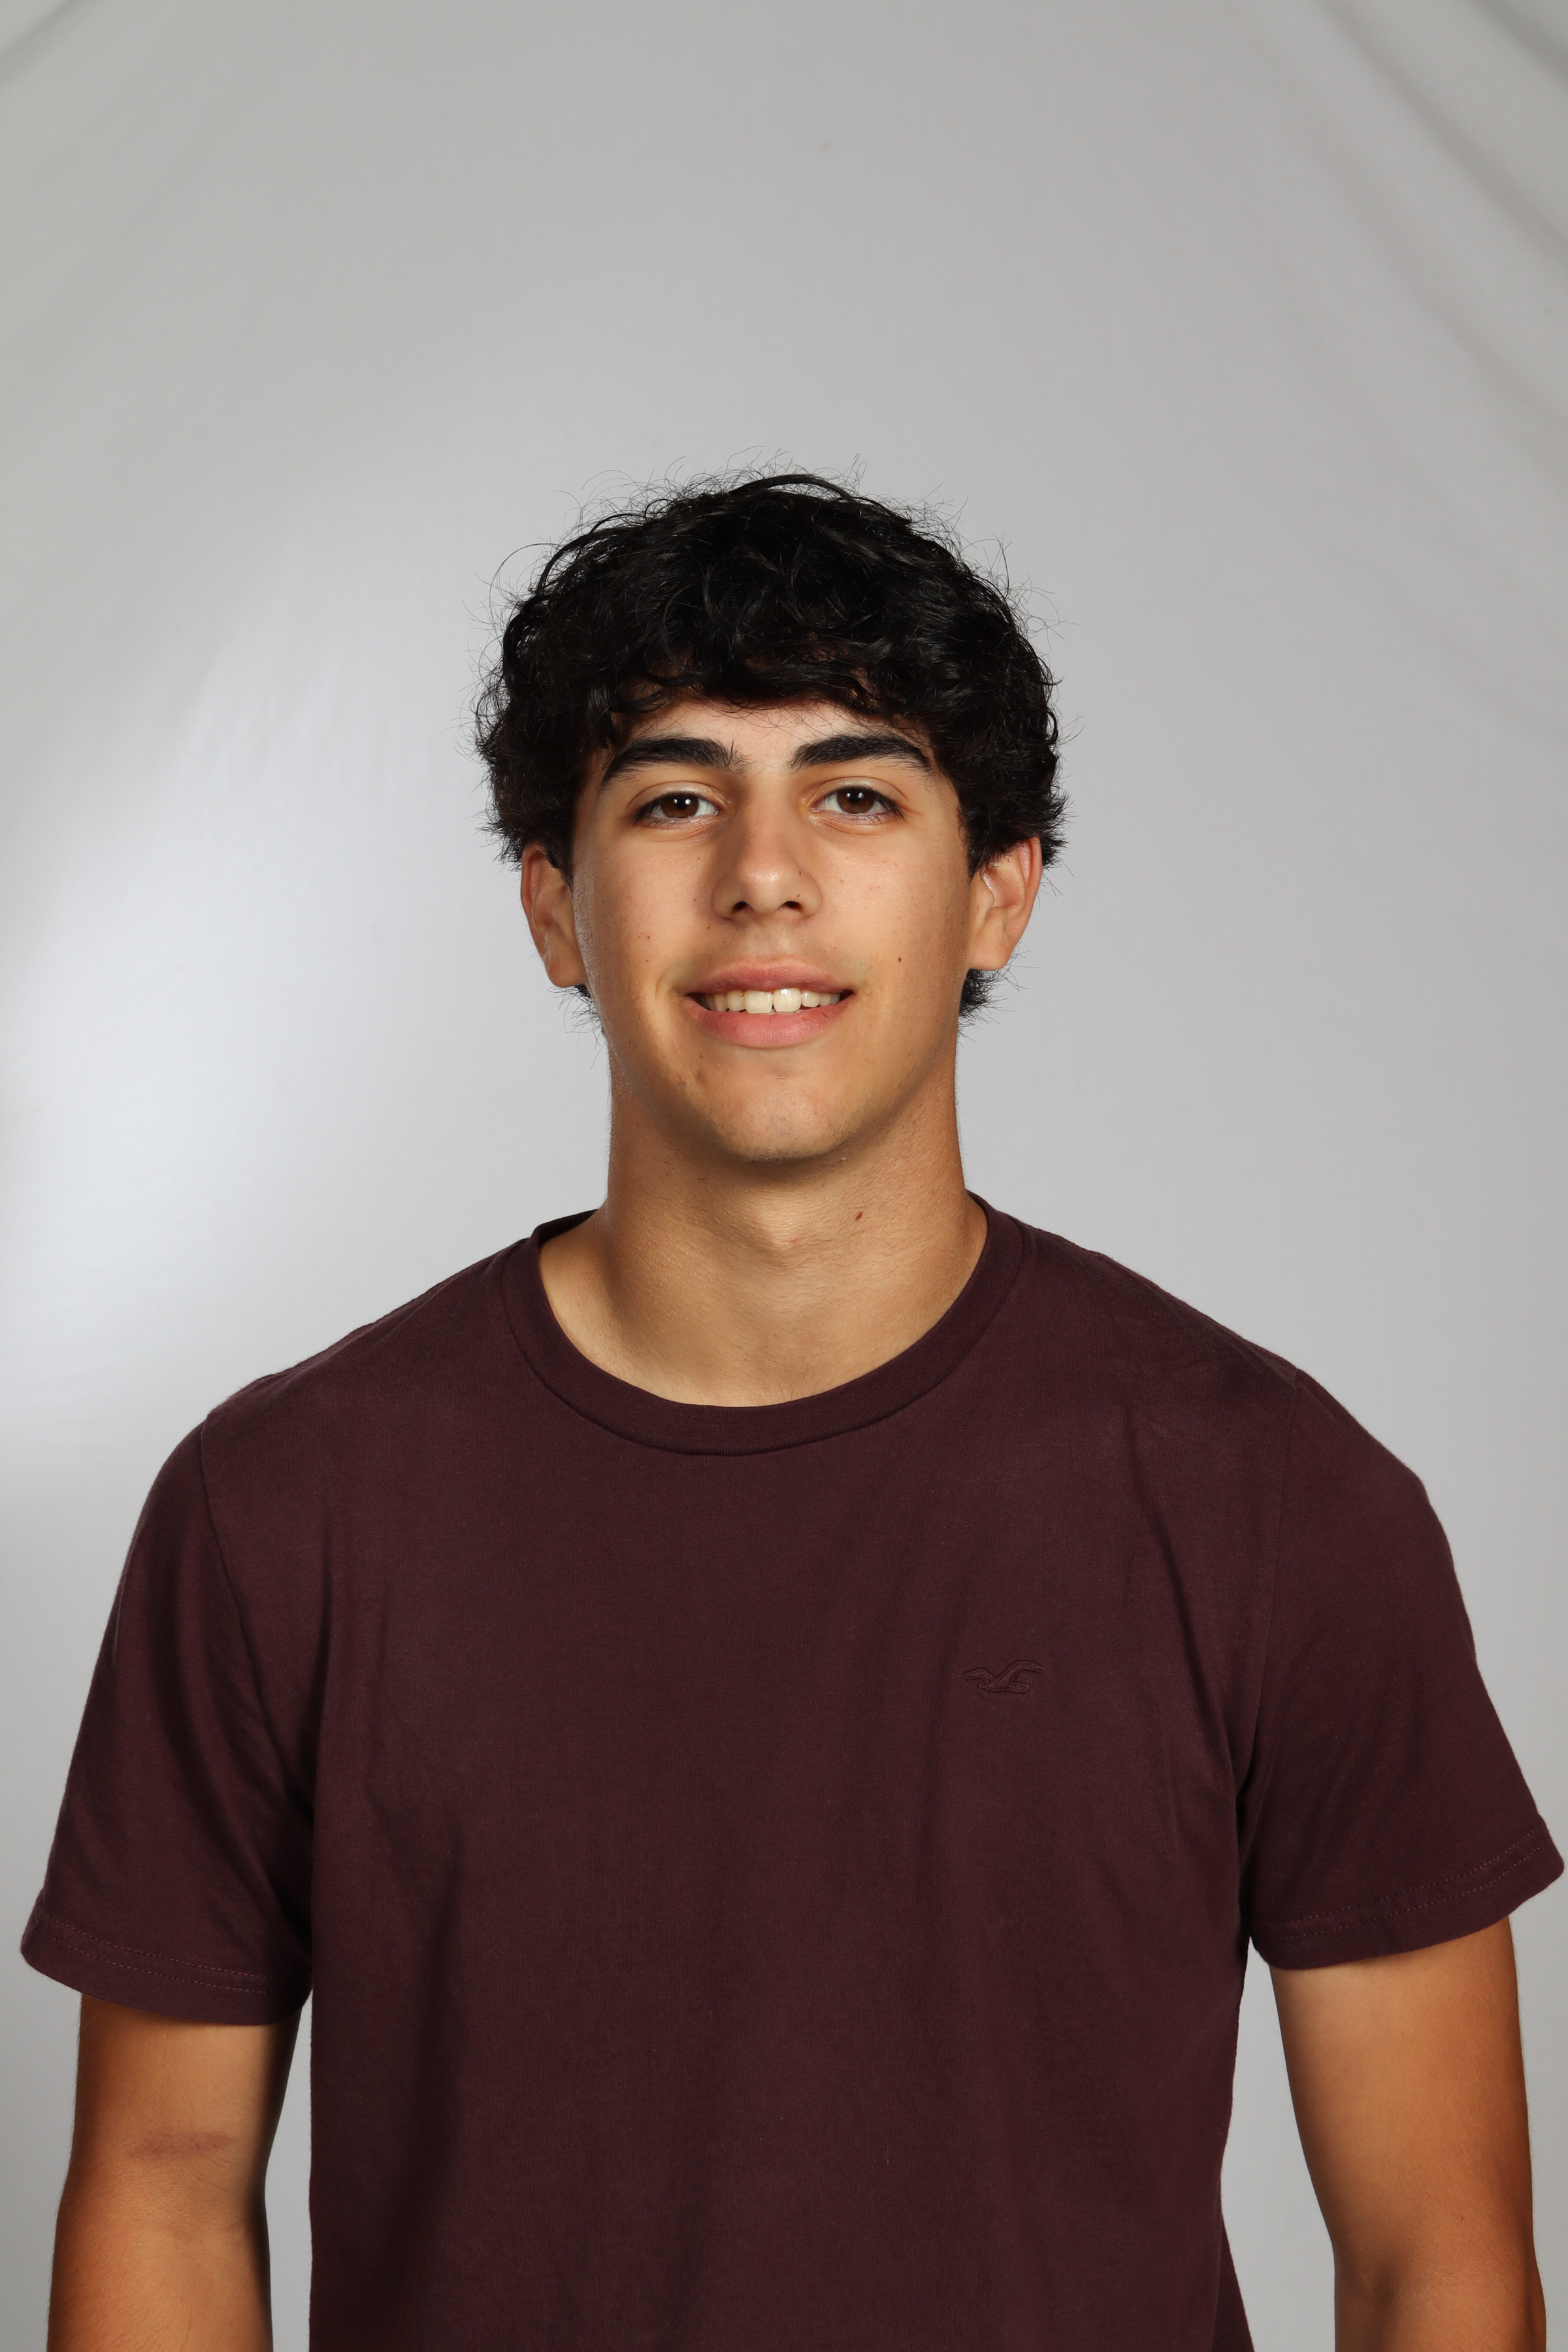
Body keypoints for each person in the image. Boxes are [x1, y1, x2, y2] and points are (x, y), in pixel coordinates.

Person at [24, 472, 1559, 2352]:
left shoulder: (1277, 1504)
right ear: (555, 908)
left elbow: (1436, 2262)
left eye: (856, 795)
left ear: (998, 896)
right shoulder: (283, 1510)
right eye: (676, 800)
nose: (764, 872)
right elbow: (165, 2188)